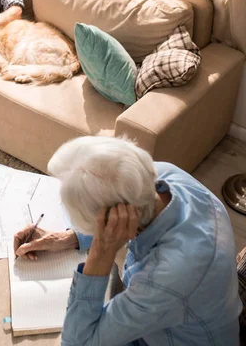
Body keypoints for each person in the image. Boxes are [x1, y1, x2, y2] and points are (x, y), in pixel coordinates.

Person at [14, 136, 241, 345]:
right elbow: (125, 202)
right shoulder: (166, 177)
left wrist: (101, 252)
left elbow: (77, 343)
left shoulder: (168, 276)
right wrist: (69, 237)